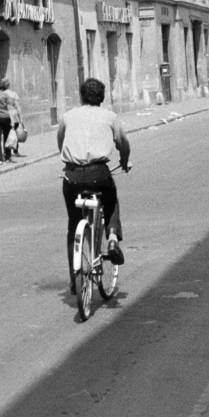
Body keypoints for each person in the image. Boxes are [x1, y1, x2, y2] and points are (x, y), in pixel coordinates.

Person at [57, 77, 130, 293]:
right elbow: (123, 144)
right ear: (102, 97)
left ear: (81, 96)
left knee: (73, 223)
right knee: (111, 202)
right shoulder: (110, 117)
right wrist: (124, 162)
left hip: (72, 176)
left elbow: (61, 142)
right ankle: (113, 239)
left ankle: (74, 278)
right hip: (99, 175)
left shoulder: (68, 117)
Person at [0, 76, 21, 163]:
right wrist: (13, 120)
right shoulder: (5, 95)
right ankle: (7, 156)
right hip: (5, 117)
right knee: (7, 137)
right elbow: (10, 106)